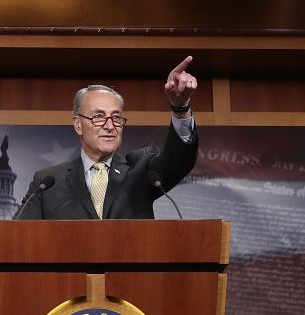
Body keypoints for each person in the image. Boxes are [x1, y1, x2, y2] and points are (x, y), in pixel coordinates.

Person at [15, 56, 199, 219]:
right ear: (78, 125)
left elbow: (179, 161)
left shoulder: (141, 170)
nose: (110, 126)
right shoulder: (47, 182)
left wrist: (180, 108)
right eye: (98, 117)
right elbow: (17, 235)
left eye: (116, 117)